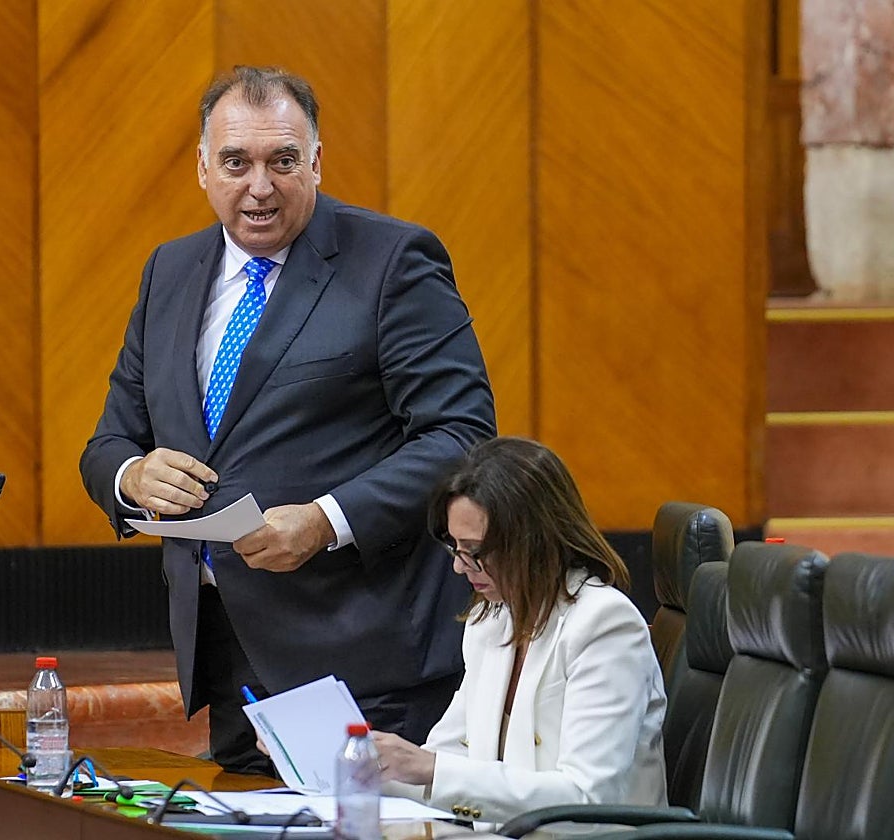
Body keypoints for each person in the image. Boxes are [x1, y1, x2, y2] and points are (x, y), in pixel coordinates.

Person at [79, 65, 496, 774]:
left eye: (283, 161)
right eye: (237, 163)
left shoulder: (394, 262)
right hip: (228, 657)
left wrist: (326, 519)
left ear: (318, 163)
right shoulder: (169, 272)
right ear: (204, 169)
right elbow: (110, 441)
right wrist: (132, 475)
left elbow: (461, 437)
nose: (260, 186)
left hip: (364, 659)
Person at [373, 436, 667, 827]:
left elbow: (586, 797)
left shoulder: (605, 624)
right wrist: (350, 763)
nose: (460, 567)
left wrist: (429, 769)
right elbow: (443, 765)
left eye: (474, 551)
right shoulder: (491, 621)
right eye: (455, 548)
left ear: (535, 541)